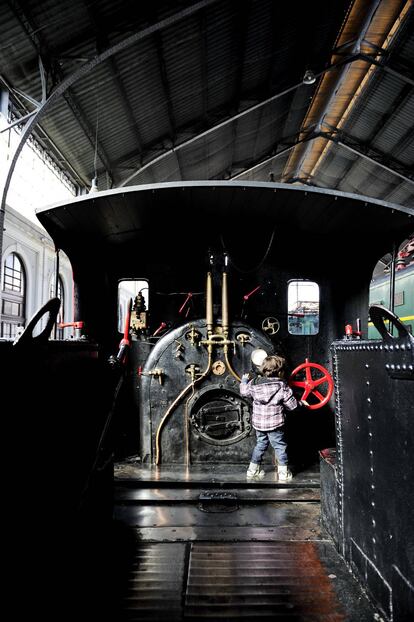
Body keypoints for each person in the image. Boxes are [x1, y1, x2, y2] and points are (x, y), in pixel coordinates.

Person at [240, 354, 307, 481]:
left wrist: (244, 381)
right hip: (275, 424)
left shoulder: (253, 384)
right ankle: (283, 474)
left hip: (259, 424)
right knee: (280, 447)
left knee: (260, 445)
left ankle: (252, 471)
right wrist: (302, 404)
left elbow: (243, 392)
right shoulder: (282, 386)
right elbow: (292, 406)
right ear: (280, 372)